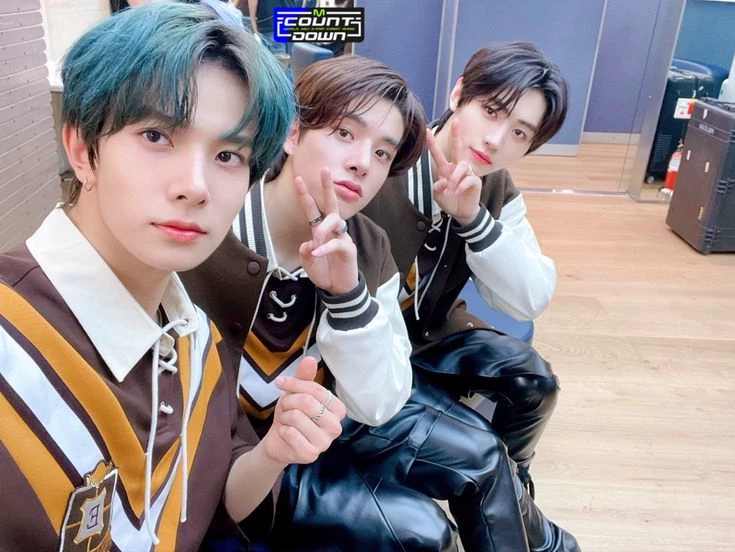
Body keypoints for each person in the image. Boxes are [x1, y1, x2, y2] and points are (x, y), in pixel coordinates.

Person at [0, 4, 346, 550]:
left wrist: (275, 449)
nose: (196, 186)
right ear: (82, 150)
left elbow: (211, 499)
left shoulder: (197, 341)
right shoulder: (12, 345)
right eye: (157, 136)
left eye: (228, 155)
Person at [360, 41, 579, 551]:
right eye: (491, 110)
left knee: (535, 381)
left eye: (520, 132)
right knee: (479, 452)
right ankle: (528, 525)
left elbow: (530, 297)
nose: (496, 139)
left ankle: (514, 492)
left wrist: (474, 219)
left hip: (433, 332)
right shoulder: (388, 157)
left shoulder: (496, 188)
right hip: (370, 352)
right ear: (459, 93)